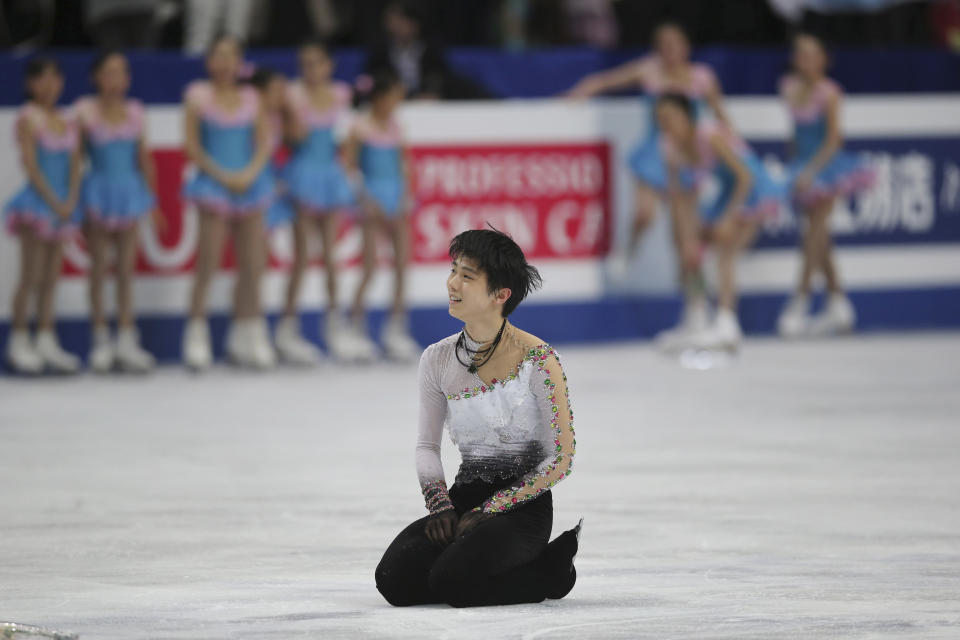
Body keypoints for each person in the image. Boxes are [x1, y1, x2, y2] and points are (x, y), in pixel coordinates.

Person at [375, 228, 581, 607]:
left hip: (523, 509)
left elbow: (562, 458)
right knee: (394, 581)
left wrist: (494, 508)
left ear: (500, 294)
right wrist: (440, 505)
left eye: (467, 276)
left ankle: (550, 571)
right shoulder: (437, 359)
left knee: (453, 582)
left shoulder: (539, 361)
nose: (452, 283)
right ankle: (485, 570)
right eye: (453, 270)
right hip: (463, 501)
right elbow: (426, 445)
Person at [567, 22, 733, 342]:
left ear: (686, 46)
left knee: (684, 242)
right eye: (663, 44)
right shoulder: (650, 70)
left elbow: (720, 117)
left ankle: (695, 307)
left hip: (685, 161)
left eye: (675, 43)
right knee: (644, 214)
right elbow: (606, 80)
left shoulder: (702, 78)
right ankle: (630, 248)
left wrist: (733, 151)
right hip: (652, 155)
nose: (669, 50)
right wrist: (582, 90)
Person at [656, 93, 783, 350]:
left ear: (687, 117)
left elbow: (745, 176)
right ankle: (696, 316)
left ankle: (727, 324)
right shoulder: (669, 146)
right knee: (690, 252)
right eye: (661, 119)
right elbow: (680, 199)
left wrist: (727, 218)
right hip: (729, 192)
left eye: (671, 117)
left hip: (753, 188)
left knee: (726, 252)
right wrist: (688, 240)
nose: (666, 124)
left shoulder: (709, 134)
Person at [181, 35, 276, 370]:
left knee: (252, 265)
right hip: (214, 185)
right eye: (218, 56)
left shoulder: (251, 97)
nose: (224, 63)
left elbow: (264, 141)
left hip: (249, 184)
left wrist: (249, 173)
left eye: (231, 56)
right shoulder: (198, 96)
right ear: (209, 61)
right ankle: (196, 333)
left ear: (240, 62)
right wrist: (225, 177)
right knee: (207, 262)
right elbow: (193, 147)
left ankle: (249, 332)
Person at [776, 33, 873, 338]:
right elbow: (795, 135)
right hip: (802, 165)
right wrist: (795, 170)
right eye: (801, 54)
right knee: (820, 239)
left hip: (828, 167)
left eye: (812, 55)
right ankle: (839, 304)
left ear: (823, 59)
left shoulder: (830, 93)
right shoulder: (789, 88)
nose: (806, 60)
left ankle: (799, 302)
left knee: (813, 235)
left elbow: (833, 139)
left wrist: (811, 172)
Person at [76, 50, 162, 373]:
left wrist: (152, 202)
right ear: (96, 77)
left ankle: (127, 337)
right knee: (99, 268)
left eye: (121, 72)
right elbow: (76, 160)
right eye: (109, 72)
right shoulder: (84, 112)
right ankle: (100, 338)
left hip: (130, 193)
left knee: (126, 270)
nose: (116, 79)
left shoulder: (136, 112)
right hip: (99, 191)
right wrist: (77, 201)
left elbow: (144, 158)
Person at [281, 40, 361, 362]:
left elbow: (346, 140)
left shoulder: (341, 94)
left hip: (331, 175)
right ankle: (288, 328)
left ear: (329, 65)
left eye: (316, 62)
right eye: (305, 63)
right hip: (303, 173)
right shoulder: (293, 95)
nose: (310, 69)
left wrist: (349, 171)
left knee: (329, 255)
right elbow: (291, 139)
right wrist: (293, 110)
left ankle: (333, 327)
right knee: (302, 256)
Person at [3, 57, 83, 374]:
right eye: (42, 79)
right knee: (30, 276)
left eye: (55, 77)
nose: (49, 85)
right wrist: (53, 200)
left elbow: (75, 165)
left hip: (64, 204)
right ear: (30, 84)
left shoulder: (68, 119)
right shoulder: (28, 117)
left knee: (51, 278)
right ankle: (19, 340)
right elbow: (31, 165)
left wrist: (71, 200)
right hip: (37, 203)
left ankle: (46, 338)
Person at [243, 65, 323, 366]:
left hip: (281, 190)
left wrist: (289, 106)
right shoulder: (249, 117)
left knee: (300, 256)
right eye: (276, 90)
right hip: (257, 192)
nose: (283, 95)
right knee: (255, 264)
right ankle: (252, 328)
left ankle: (286, 328)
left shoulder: (279, 117)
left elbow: (299, 135)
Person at [342, 69, 419, 361]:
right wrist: (364, 198)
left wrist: (405, 195)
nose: (395, 104)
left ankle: (395, 329)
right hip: (371, 198)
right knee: (370, 265)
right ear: (378, 97)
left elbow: (404, 164)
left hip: (396, 197)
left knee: (401, 265)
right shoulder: (359, 127)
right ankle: (355, 327)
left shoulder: (397, 126)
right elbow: (349, 166)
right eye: (392, 98)